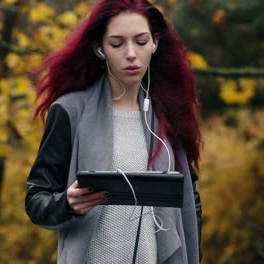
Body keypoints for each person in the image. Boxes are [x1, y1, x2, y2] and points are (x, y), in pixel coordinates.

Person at [25, 0, 202, 263]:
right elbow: (36, 199)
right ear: (99, 48)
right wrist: (67, 204)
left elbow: (190, 198)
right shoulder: (70, 111)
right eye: (117, 44)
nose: (131, 53)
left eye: (141, 42)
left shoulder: (169, 113)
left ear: (155, 43)